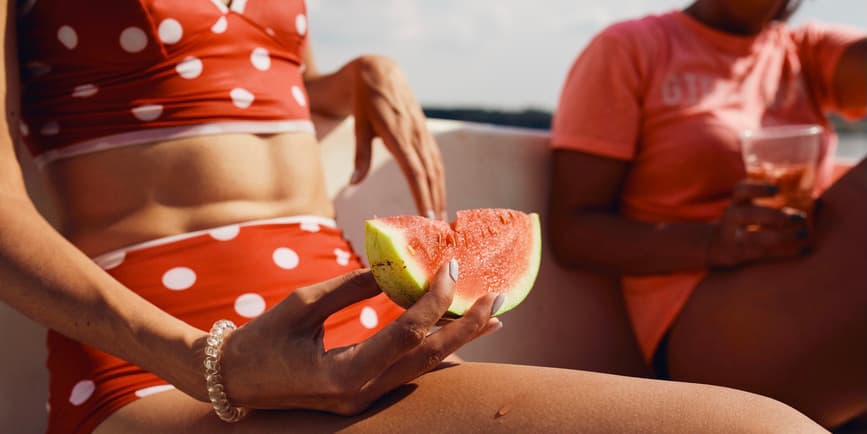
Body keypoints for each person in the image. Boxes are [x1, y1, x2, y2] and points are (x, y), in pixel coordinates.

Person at [0, 0, 829, 433]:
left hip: (347, 314)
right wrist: (203, 362)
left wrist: (354, 77)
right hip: (163, 343)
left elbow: (272, 85)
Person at [548, 0, 866, 429]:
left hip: (807, 285)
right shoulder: (631, 47)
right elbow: (574, 232)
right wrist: (715, 241)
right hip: (708, 326)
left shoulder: (805, 51)